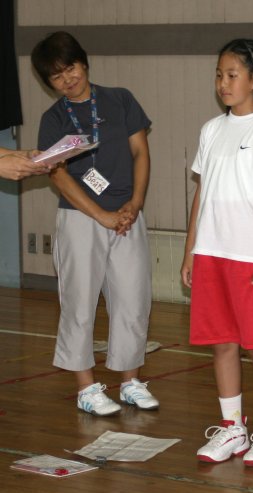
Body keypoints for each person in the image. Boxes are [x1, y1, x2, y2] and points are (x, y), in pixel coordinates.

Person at [31, 31, 158, 417]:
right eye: (56, 76)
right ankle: (86, 388)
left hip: (127, 217)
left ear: (84, 63)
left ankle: (131, 382)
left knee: (134, 299)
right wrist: (101, 215)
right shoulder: (54, 119)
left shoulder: (120, 99)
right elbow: (58, 175)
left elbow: (140, 152)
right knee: (80, 302)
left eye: (70, 68)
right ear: (49, 83)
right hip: (80, 219)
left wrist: (135, 203)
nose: (67, 79)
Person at [180, 38, 253, 467]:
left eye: (232, 75)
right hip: (211, 254)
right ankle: (232, 427)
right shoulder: (211, 130)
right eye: (219, 75)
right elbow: (201, 194)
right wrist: (191, 250)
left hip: (251, 259)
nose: (223, 83)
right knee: (222, 343)